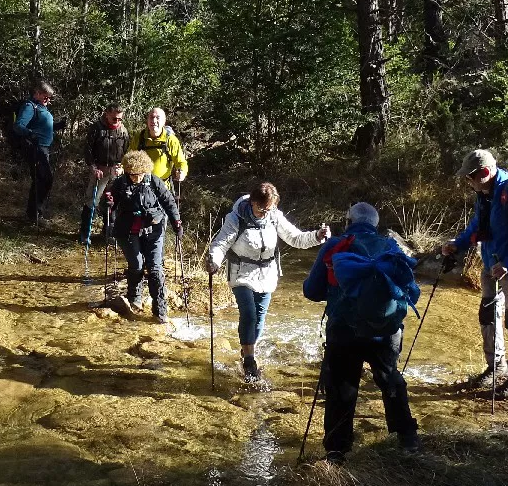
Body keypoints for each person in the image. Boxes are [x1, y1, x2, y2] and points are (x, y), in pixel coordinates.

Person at [303, 203, 421, 463]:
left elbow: (311, 291)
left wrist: (339, 291)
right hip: (386, 330)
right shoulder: (391, 247)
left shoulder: (335, 246)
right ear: (375, 225)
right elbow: (410, 291)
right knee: (389, 378)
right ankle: (407, 438)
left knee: (342, 387)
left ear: (348, 221)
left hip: (344, 328)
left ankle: (337, 451)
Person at [441, 149, 508, 398]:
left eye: (470, 177)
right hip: (490, 264)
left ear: (485, 173)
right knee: (488, 314)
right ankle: (495, 367)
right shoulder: (485, 193)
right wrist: (458, 243)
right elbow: (478, 226)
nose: (468, 181)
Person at [204, 182, 330, 381]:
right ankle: (249, 360)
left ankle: (247, 351)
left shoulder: (274, 216)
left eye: (269, 208)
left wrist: (317, 236)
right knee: (249, 313)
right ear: (253, 202)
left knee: (260, 317)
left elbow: (295, 238)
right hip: (241, 273)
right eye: (262, 208)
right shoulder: (236, 218)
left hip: (267, 274)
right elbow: (221, 244)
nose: (265, 212)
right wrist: (213, 260)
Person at [105, 150, 182, 323]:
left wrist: (176, 222)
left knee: (155, 268)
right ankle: (135, 298)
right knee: (137, 265)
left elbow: (168, 201)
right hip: (128, 231)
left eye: (138, 175)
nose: (135, 178)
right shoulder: (119, 183)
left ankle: (160, 309)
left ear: (145, 171)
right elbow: (110, 206)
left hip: (153, 230)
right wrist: (109, 204)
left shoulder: (154, 181)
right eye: (131, 175)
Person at [81, 104, 128, 243]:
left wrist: (122, 167)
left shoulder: (123, 131)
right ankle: (85, 234)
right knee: (92, 200)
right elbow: (87, 150)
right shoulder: (96, 128)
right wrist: (93, 167)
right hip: (99, 169)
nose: (117, 121)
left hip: (115, 170)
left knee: (113, 201)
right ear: (106, 114)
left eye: (120, 119)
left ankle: (109, 234)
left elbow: (126, 152)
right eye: (114, 118)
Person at [15, 81, 55, 226]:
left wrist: (57, 126)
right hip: (35, 148)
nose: (48, 100)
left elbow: (42, 126)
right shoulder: (29, 106)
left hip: (44, 148)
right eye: (45, 97)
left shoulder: (41, 107)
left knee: (43, 180)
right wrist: (31, 135)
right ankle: (35, 215)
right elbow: (18, 126)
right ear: (37, 93)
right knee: (43, 179)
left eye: (49, 98)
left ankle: (35, 213)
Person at [129, 107, 188, 185]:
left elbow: (180, 161)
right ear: (147, 120)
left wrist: (182, 172)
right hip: (140, 186)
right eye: (151, 117)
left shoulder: (170, 140)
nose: (154, 120)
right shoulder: (139, 137)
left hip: (162, 187)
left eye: (158, 118)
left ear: (164, 121)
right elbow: (128, 158)